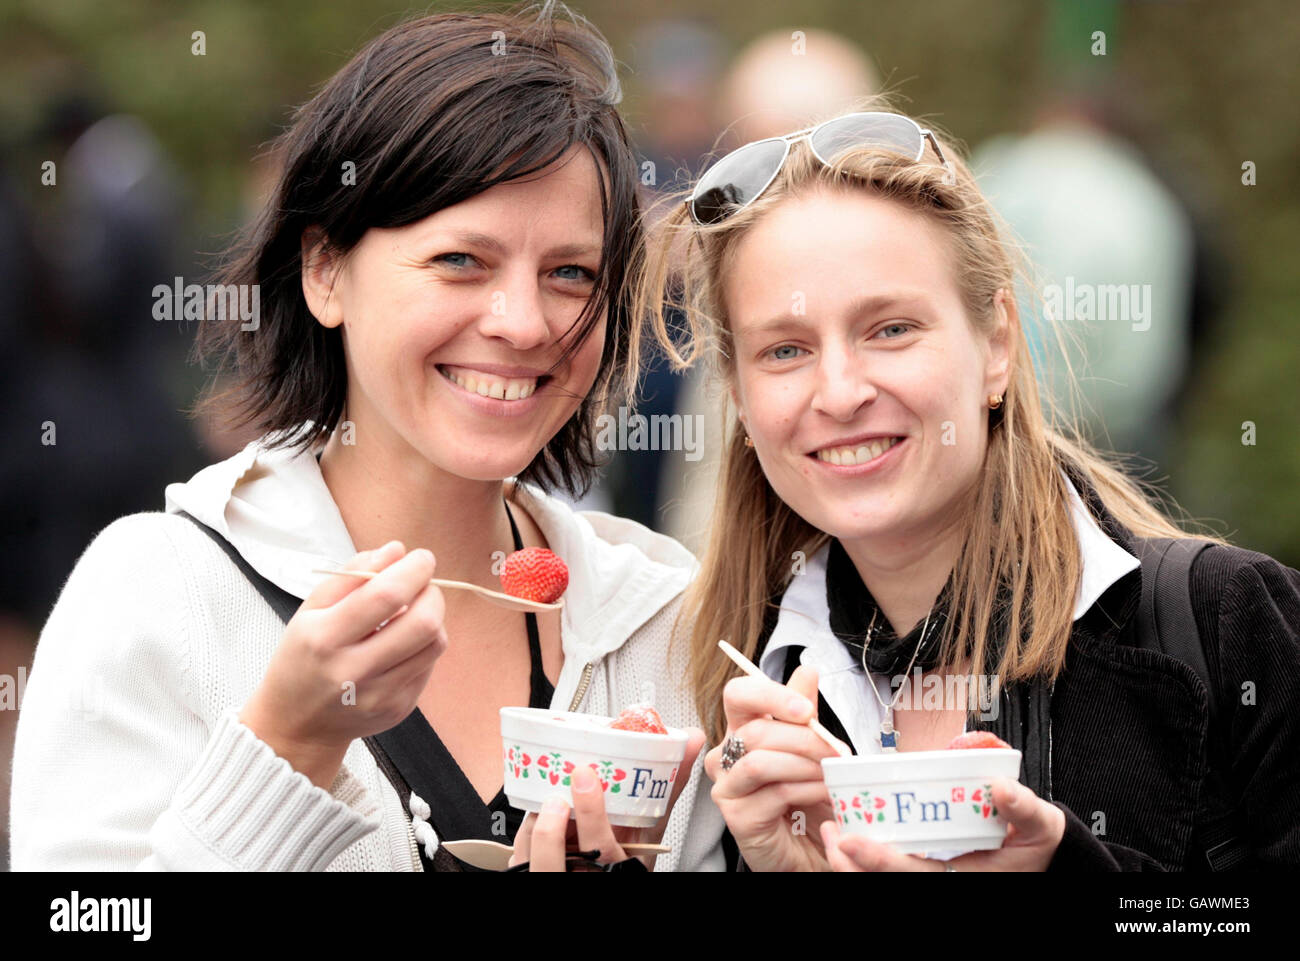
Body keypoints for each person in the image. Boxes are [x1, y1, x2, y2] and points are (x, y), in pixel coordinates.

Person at [9, 3, 724, 873]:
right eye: (462, 260)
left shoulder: (667, 619)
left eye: (571, 273)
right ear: (324, 270)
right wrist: (288, 747)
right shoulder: (158, 594)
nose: (523, 322)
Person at [635, 102, 1300, 871]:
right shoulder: (724, 691)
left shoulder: (1232, 624)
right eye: (786, 350)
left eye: (890, 328)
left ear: (997, 344)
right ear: (741, 401)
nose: (840, 391)